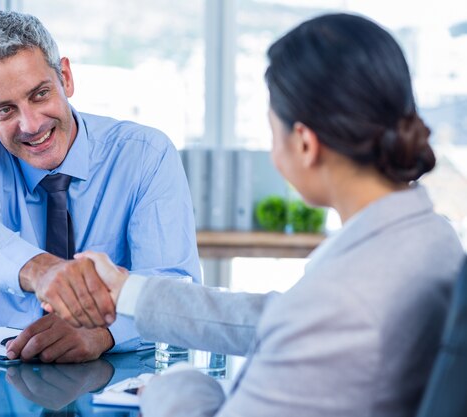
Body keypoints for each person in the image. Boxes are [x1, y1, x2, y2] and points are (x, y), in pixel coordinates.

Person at [40, 13, 466, 416]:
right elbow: (282, 317)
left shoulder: (339, 300)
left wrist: (173, 385)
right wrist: (128, 291)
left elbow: (305, 322)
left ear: (304, 142)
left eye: (271, 126)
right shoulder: (431, 238)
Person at [0, 10, 200, 363]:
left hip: (108, 382)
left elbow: (171, 284)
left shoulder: (145, 155)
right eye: (3, 110)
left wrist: (105, 331)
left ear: (66, 78)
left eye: (40, 94)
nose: (30, 124)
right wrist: (43, 270)